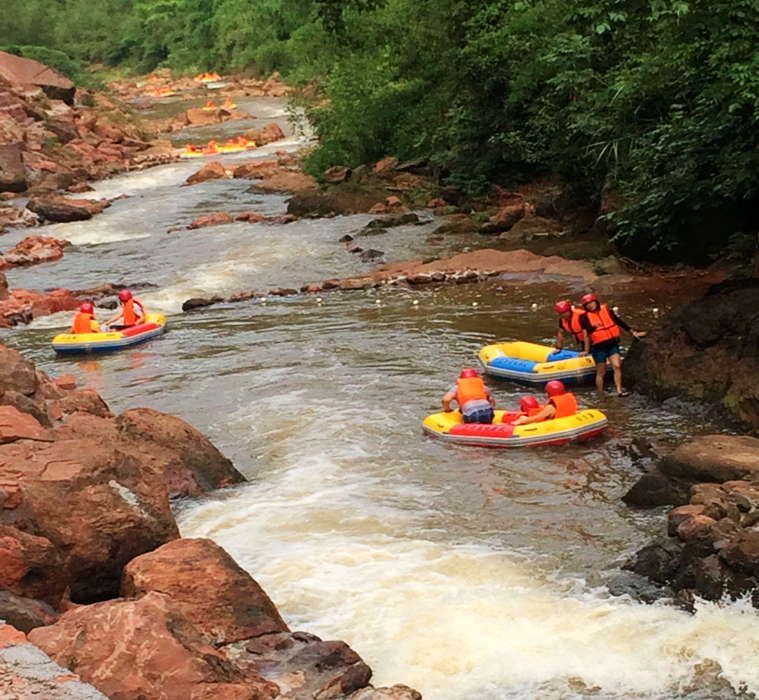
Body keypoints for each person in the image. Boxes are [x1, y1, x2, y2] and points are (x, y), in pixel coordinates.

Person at [579, 292, 646, 397]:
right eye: (587, 305)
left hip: (612, 344)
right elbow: (586, 333)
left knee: (617, 365)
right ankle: (600, 393)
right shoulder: (583, 317)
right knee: (601, 372)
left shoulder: (606, 310)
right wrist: (586, 350)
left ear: (596, 302)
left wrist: (632, 331)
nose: (590, 306)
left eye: (591, 303)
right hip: (598, 347)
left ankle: (619, 391)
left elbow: (618, 321)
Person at [513, 380, 578, 425]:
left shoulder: (551, 407)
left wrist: (522, 420)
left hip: (555, 426)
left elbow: (536, 418)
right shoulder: (568, 398)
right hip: (569, 421)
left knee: (525, 415)